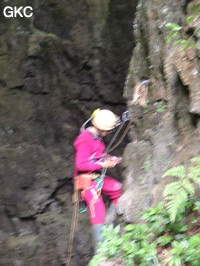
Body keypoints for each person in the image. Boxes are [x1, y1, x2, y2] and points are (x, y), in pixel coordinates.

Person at [73, 109, 122, 253]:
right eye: (108, 131)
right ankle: (101, 254)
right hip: (85, 180)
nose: (109, 133)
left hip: (96, 176)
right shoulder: (84, 139)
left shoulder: (97, 138)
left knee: (117, 189)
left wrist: (109, 158)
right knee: (98, 212)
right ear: (100, 129)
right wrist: (102, 165)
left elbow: (97, 155)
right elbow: (80, 165)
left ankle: (109, 226)